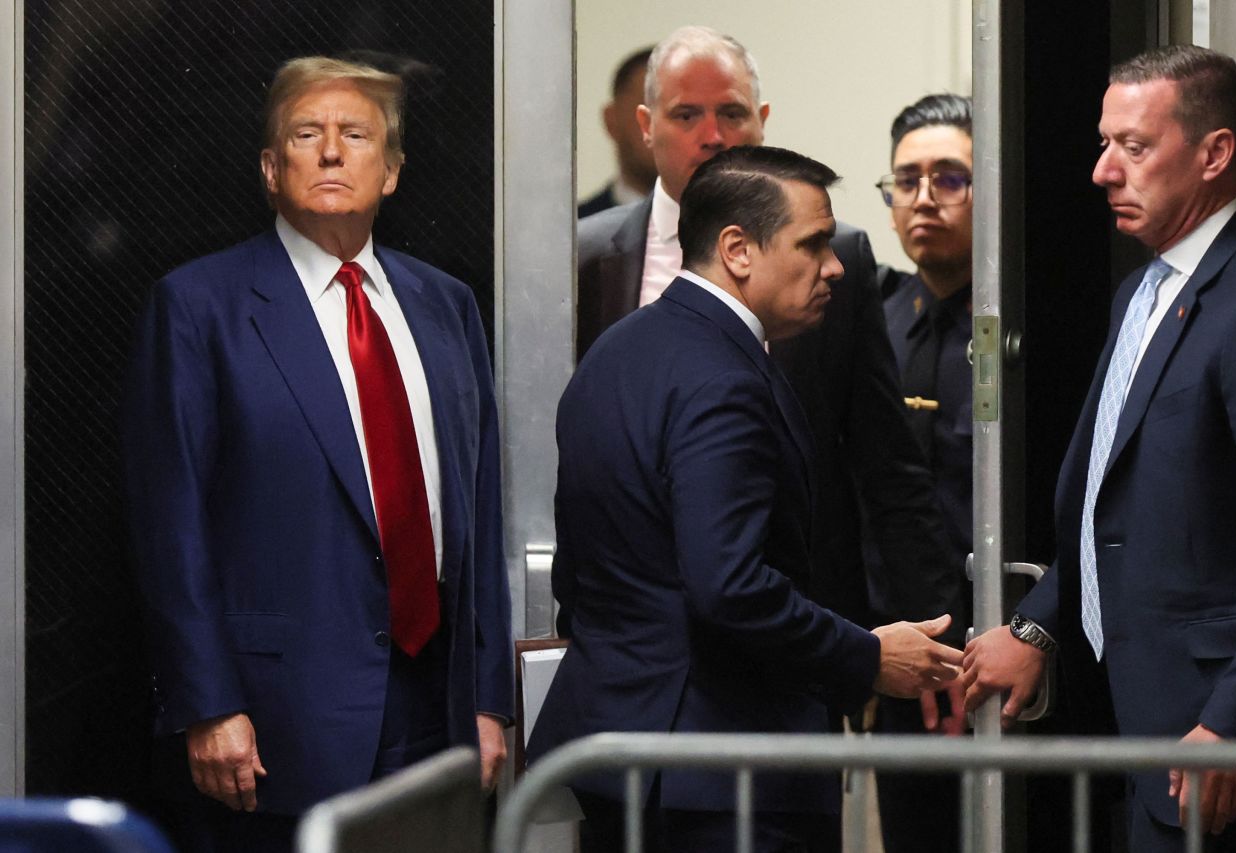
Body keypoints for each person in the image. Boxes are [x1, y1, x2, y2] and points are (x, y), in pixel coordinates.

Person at [121, 56, 513, 851]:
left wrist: (491, 698)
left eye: (356, 134)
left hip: (436, 711)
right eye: (307, 134)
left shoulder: (447, 305)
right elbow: (171, 524)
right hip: (275, 719)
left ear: (392, 170)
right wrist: (209, 703)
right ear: (271, 169)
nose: (332, 152)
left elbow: (479, 504)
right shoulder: (201, 307)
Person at [529, 144, 964, 853]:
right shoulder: (723, 378)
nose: (834, 267)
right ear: (737, 249)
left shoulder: (618, 349)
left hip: (620, 752)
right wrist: (865, 654)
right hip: (722, 772)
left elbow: (581, 576)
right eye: (814, 244)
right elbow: (727, 584)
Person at [576, 23, 962, 725]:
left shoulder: (840, 264)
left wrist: (932, 633)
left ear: (763, 121)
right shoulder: (587, 258)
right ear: (646, 125)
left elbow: (886, 466)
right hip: (681, 690)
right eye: (686, 115)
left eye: (731, 113)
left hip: (789, 652)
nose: (712, 136)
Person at [962, 45, 1236, 852]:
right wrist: (1038, 626)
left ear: (1215, 154)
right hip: (1132, 717)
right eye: (1105, 145)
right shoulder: (1139, 292)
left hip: (1212, 740)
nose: (1105, 171)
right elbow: (1128, 511)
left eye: (1134, 147)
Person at [872, 92, 974, 853]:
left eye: (950, 178)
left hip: (1002, 642)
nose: (923, 200)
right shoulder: (876, 315)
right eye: (907, 180)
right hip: (907, 644)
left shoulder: (1017, 320)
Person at [578, 46, 658, 217]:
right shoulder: (571, 233)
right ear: (611, 120)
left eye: (687, 115)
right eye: (652, 111)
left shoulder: (725, 226)